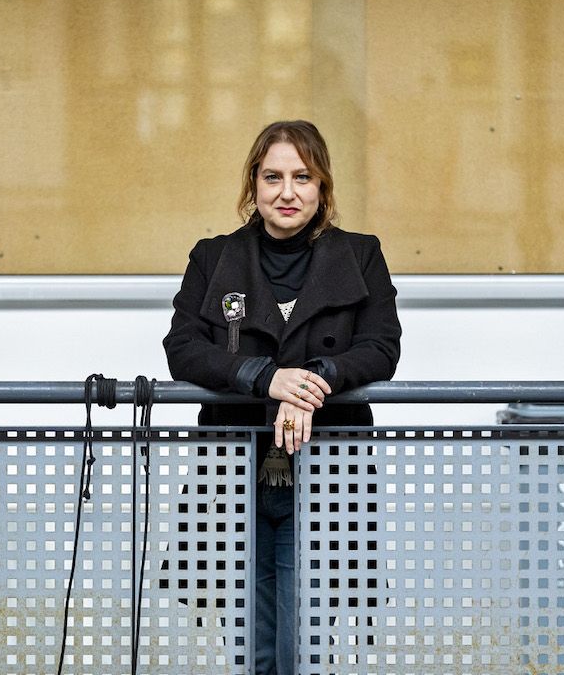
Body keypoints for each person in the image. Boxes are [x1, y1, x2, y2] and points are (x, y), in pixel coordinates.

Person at [163, 119, 401, 675]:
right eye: (273, 176)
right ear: (253, 183)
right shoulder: (213, 257)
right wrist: (262, 377)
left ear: (323, 188)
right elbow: (182, 348)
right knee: (252, 641)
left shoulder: (361, 255)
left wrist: (311, 382)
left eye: (303, 177)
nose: (287, 192)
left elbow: (382, 348)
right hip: (232, 474)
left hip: (326, 474)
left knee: (305, 638)